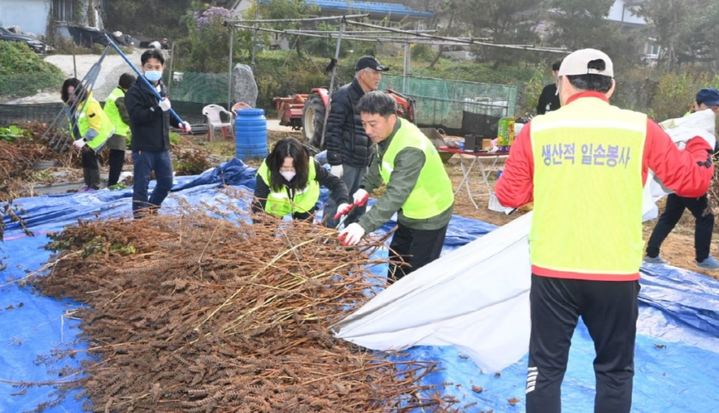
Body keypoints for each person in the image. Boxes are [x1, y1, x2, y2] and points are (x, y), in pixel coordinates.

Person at [494, 49, 714, 413]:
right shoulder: (640, 127)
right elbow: (690, 183)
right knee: (614, 371)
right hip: (615, 272)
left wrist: (548, 179)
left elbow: (508, 195)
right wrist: (699, 142)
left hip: (553, 269)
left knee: (545, 369)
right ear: (611, 87)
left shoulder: (539, 129)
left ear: (562, 83)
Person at [338, 91, 454, 280]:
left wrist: (362, 226)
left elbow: (396, 194)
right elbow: (378, 160)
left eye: (372, 124)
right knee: (398, 261)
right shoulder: (386, 134)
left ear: (391, 118)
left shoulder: (411, 148)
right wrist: (365, 188)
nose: (367, 131)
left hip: (431, 213)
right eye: (364, 124)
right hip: (409, 211)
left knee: (418, 274)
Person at [645, 88, 719, 269]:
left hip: (681, 180)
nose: (713, 111)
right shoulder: (688, 125)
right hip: (688, 177)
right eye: (709, 106)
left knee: (671, 215)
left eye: (716, 107)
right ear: (697, 105)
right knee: (705, 216)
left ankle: (652, 253)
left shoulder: (697, 123)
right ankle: (702, 258)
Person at [323, 55, 388, 227]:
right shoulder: (344, 96)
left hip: (363, 160)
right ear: (362, 74)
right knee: (339, 201)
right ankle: (325, 240)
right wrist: (335, 160)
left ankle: (351, 241)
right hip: (346, 161)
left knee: (359, 204)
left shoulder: (372, 98)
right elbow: (333, 129)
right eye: (374, 73)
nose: (378, 77)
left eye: (379, 74)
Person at [125, 48, 191, 218]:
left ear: (163, 67)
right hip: (144, 147)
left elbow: (167, 114)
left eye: (157, 67)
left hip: (162, 146)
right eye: (149, 67)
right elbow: (137, 117)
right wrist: (156, 108)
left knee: (166, 183)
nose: (153, 70)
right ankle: (140, 219)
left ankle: (151, 209)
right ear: (142, 67)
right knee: (141, 185)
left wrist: (180, 123)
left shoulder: (162, 88)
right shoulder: (134, 91)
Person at [253, 137, 350, 222]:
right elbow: (258, 205)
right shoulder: (267, 171)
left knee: (302, 236)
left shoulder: (310, 166)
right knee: (267, 236)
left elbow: (336, 183)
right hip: (275, 208)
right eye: (285, 168)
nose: (289, 172)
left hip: (304, 207)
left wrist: (342, 202)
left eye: (293, 167)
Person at [61, 78, 114, 191]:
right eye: (69, 94)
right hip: (86, 136)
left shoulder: (90, 104)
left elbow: (95, 126)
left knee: (91, 158)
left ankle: (94, 186)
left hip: (97, 134)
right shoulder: (71, 106)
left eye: (75, 94)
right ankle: (88, 184)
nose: (72, 97)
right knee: (85, 158)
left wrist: (84, 140)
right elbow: (76, 123)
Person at [102, 73, 135, 188]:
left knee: (114, 158)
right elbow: (126, 117)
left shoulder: (116, 93)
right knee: (117, 160)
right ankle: (113, 184)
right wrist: (139, 125)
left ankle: (112, 183)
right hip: (116, 132)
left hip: (111, 130)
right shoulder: (120, 97)